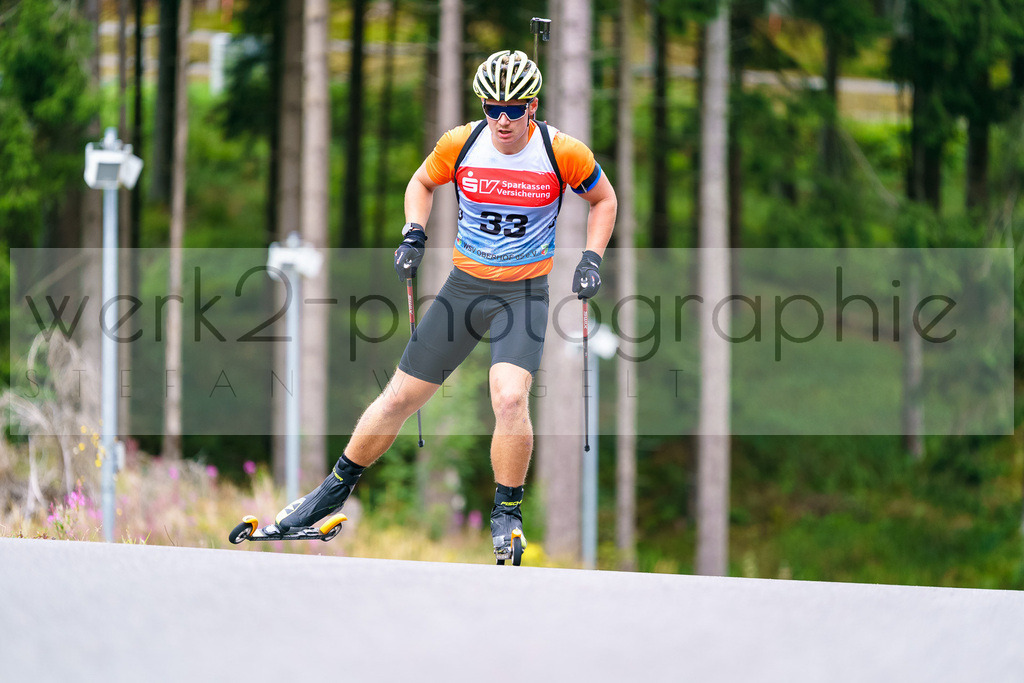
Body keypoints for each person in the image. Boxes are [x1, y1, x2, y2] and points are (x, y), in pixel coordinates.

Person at [266, 49, 617, 561]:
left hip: (522, 294)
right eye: (491, 107)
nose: (501, 119)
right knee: (398, 398)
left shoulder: (562, 152)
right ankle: (329, 493)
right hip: (463, 290)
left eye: (512, 109)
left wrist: (591, 258)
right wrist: (414, 231)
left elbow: (604, 199)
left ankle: (507, 512)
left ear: (532, 107)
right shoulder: (462, 143)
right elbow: (421, 182)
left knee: (509, 398)